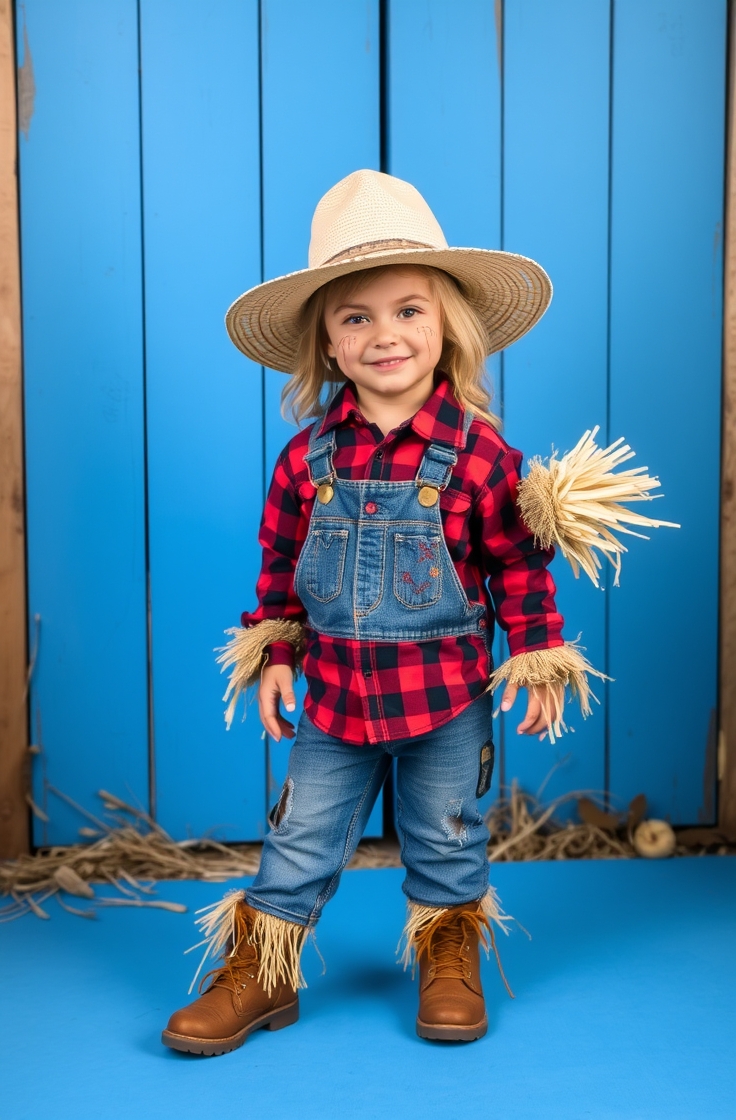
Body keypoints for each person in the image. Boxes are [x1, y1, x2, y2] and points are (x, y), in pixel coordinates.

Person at [161, 170, 603, 1056]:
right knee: (299, 841)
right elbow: (282, 566)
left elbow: (519, 567)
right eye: (355, 316)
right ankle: (263, 967)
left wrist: (541, 655)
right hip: (333, 701)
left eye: (409, 311)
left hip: (446, 700)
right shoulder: (305, 459)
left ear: (449, 327)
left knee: (447, 840)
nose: (385, 335)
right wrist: (276, 648)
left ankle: (448, 952)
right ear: (326, 342)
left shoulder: (484, 459)